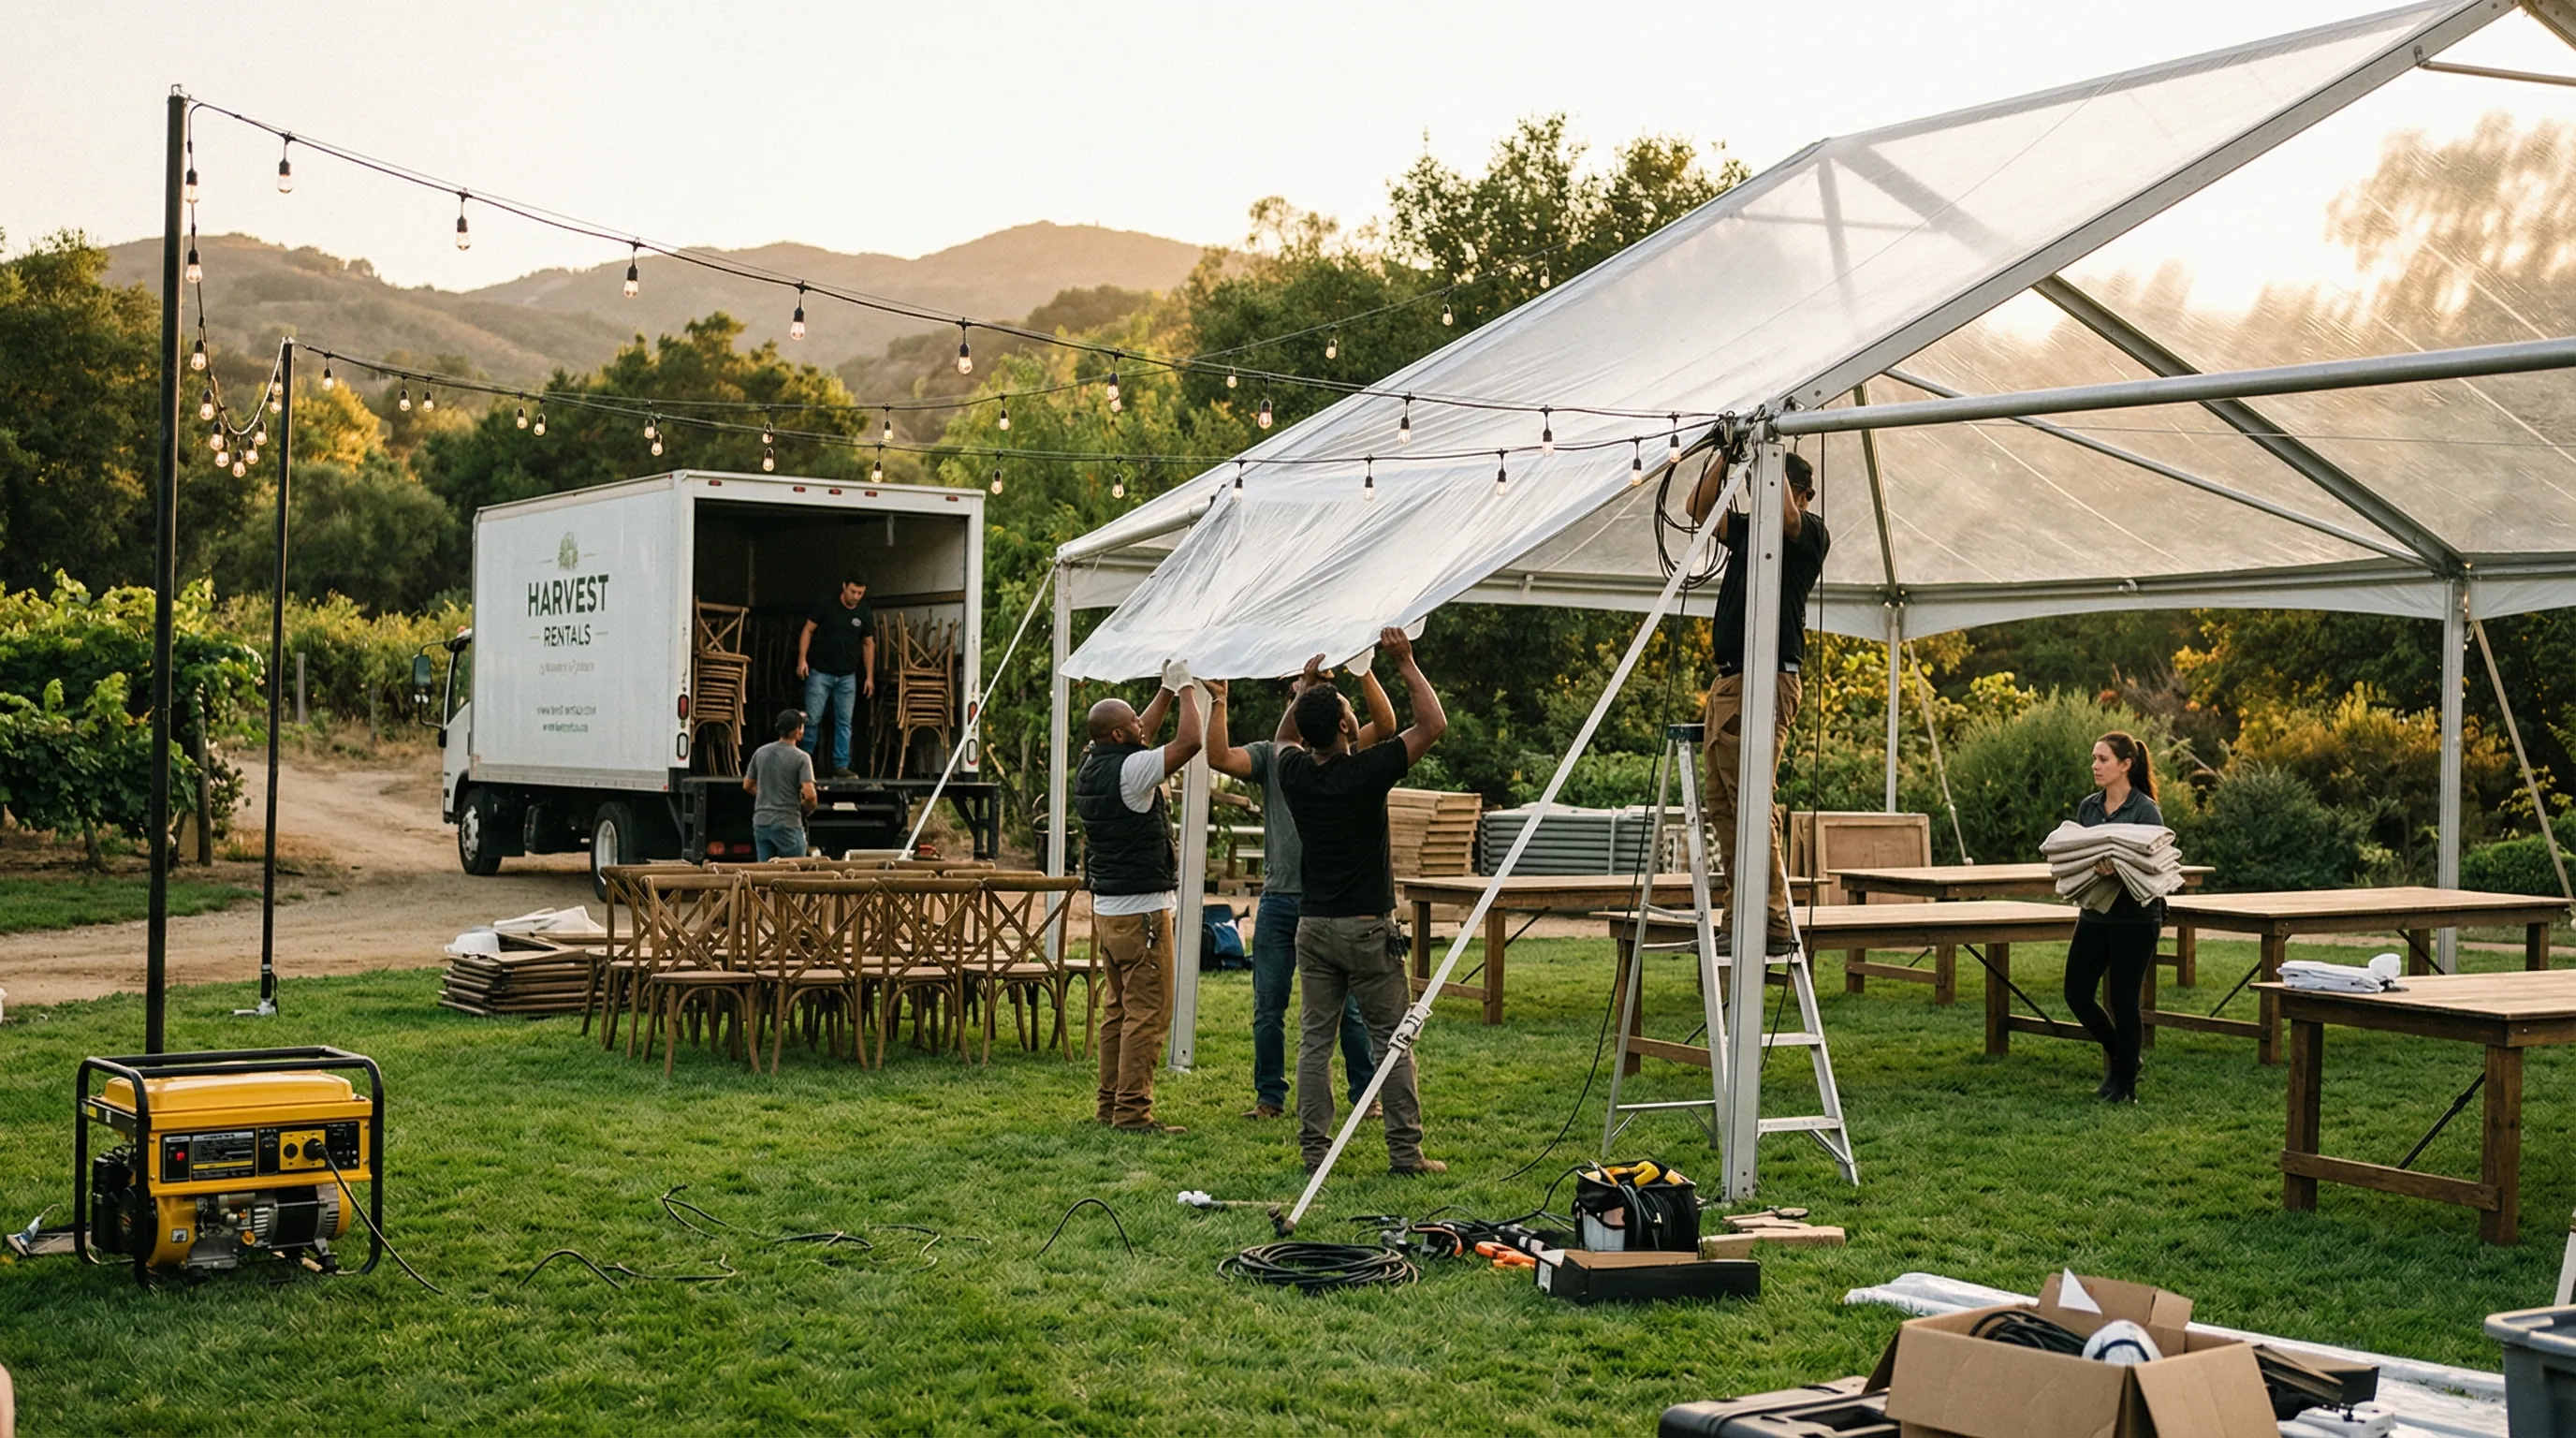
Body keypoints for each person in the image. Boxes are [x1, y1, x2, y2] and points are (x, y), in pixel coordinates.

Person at [1279, 626, 1448, 1177]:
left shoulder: (1295, 772)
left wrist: (1305, 689)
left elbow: (1285, 740)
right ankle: (1405, 1154)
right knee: (1390, 1042)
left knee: (1314, 1043)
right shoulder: (1367, 772)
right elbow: (1433, 724)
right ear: (1349, 727)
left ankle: (1314, 1153)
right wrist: (1404, 662)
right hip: (1367, 928)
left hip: (1314, 927)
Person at [1203, 656, 1392, 1122]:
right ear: (1289, 700)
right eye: (1301, 690)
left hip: (1327, 903)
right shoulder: (1275, 755)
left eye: (1321, 690)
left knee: (1346, 1012)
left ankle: (1363, 1096)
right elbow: (1219, 757)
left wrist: (1366, 671)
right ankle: (1270, 1097)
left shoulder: (1342, 749)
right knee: (1268, 1006)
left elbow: (1385, 725)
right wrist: (1220, 701)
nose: (1308, 695)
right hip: (1280, 899)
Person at [1688, 448, 1830, 954]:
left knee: (1750, 797)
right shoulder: (1750, 529)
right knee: (1725, 802)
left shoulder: (1810, 531)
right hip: (1733, 680)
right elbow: (1697, 508)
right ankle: (1740, 915)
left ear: (1803, 493)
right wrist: (1726, 457)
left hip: (1765, 678)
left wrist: (1762, 465)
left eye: (1776, 484)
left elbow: (1787, 516)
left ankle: (1768, 919)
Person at [1075, 668, 1204, 1134]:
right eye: (1133, 721)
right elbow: (1190, 741)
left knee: (1118, 1011)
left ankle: (1109, 1105)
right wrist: (1189, 689)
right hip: (1142, 912)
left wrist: (1166, 690)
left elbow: (1142, 730)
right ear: (1118, 734)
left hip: (1109, 912)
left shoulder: (1093, 762)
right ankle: (1133, 1113)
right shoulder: (1134, 769)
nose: (1142, 724)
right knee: (1148, 1014)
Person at [2064, 732, 2164, 1104]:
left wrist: (2118, 869)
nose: (2095, 765)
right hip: (2094, 913)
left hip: (2135, 919)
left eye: (2103, 759)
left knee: (2124, 1003)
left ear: (2126, 765)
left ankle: (2124, 1087)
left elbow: (2153, 864)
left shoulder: (2145, 810)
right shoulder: (2088, 808)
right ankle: (2125, 1059)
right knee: (2076, 993)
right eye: (2094, 758)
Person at [797, 579, 877, 779]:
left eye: (860, 593)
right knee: (812, 719)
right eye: (853, 591)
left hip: (847, 676)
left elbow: (869, 644)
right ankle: (804, 762)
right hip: (820, 672)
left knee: (844, 721)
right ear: (844, 586)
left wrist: (869, 677)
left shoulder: (864, 612)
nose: (856, 597)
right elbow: (808, 629)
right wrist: (802, 659)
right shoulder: (826, 604)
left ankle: (841, 766)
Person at [743, 707, 818, 860]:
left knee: (763, 875)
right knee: (795, 874)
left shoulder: (761, 752)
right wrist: (807, 809)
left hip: (761, 823)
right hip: (788, 824)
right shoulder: (802, 758)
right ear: (797, 731)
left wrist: (767, 796)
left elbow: (747, 785)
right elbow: (810, 795)